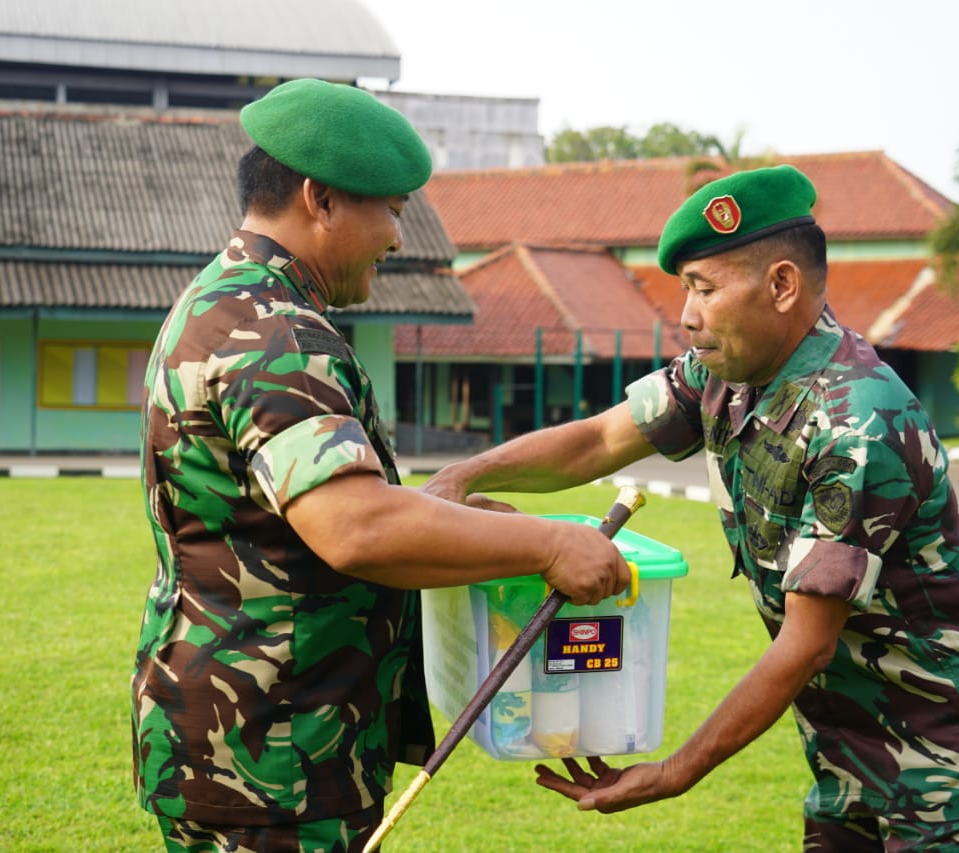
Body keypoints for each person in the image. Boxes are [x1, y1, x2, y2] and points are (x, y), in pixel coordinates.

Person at [424, 165, 959, 851]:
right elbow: (600, 440)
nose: (687, 315)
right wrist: (462, 476)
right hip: (850, 737)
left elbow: (807, 642)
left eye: (706, 288)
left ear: (781, 286)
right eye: (686, 289)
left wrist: (673, 772)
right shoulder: (726, 372)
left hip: (950, 745)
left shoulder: (856, 421)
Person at [130, 79, 629, 853]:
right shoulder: (273, 331)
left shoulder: (224, 300)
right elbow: (357, 528)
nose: (397, 238)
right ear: (321, 199)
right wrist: (551, 543)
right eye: (391, 210)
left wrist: (450, 520)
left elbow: (313, 513)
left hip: (250, 739)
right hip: (274, 756)